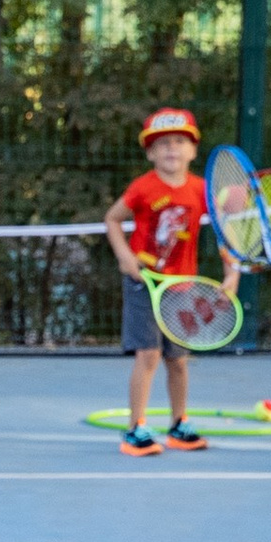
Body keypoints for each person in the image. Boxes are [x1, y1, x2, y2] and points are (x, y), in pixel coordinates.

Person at [100, 110, 210, 454]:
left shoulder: (202, 190)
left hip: (182, 287)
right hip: (144, 283)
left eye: (179, 142)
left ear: (192, 150)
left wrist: (233, 273)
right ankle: (136, 428)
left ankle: (179, 424)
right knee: (148, 355)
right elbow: (113, 219)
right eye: (162, 144)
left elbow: (229, 228)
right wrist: (124, 256)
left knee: (178, 360)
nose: (171, 150)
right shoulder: (143, 187)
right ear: (150, 154)